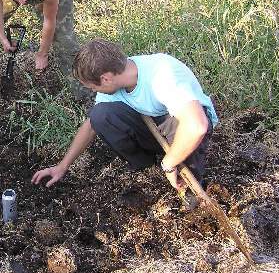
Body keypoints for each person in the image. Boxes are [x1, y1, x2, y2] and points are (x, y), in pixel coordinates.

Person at [31, 39, 218, 203]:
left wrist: (169, 163)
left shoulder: (162, 75)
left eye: (93, 87)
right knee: (100, 115)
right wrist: (62, 166)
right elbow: (90, 126)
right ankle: (147, 169)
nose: (95, 92)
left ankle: (187, 185)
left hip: (185, 127)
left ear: (105, 78)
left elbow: (196, 126)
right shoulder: (119, 79)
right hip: (154, 126)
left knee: (182, 129)